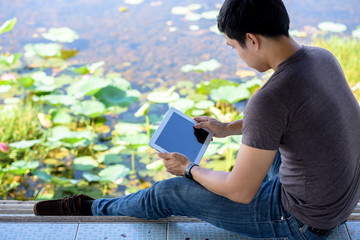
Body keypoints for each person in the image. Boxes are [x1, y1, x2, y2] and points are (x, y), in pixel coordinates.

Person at [34, 0, 360, 239]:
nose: (237, 54)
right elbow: (291, 115)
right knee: (263, 149)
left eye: (234, 47)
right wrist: (226, 129)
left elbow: (241, 191)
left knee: (169, 192)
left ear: (253, 40)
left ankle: (91, 208)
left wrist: (188, 168)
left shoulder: (270, 99)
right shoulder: (321, 57)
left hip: (301, 221)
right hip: (338, 201)